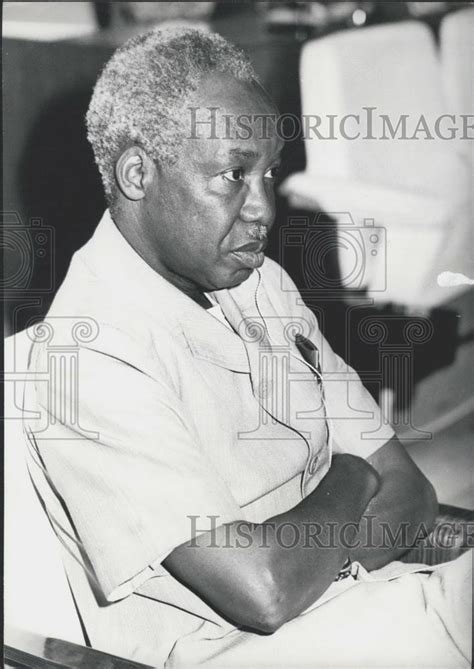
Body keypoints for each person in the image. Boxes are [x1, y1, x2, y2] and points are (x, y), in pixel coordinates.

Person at [25, 27, 471, 668]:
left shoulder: (261, 285)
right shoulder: (89, 356)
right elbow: (263, 591)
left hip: (366, 607)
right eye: (233, 174)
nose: (263, 206)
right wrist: (354, 472)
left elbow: (415, 493)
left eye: (269, 173)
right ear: (137, 174)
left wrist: (317, 564)